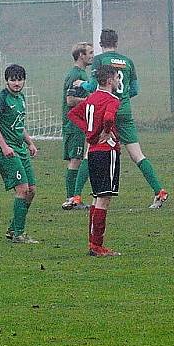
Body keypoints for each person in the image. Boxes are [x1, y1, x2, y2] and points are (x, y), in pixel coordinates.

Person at [80, 29, 169, 209]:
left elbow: (93, 85)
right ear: (116, 43)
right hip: (124, 110)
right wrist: (123, 97)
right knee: (137, 155)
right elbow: (134, 89)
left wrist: (80, 84)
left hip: (105, 109)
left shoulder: (100, 60)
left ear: (100, 43)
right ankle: (159, 191)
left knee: (91, 150)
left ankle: (75, 196)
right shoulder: (128, 61)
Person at [67, 64, 122, 256]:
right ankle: (97, 246)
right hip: (107, 151)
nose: (117, 81)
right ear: (109, 81)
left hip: (92, 152)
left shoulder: (91, 99)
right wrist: (105, 132)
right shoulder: (112, 100)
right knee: (104, 197)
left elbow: (72, 114)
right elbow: (108, 118)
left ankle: (93, 243)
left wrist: (89, 133)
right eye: (116, 78)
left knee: (97, 196)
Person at [0, 64, 40, 244]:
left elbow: (19, 124)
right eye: (12, 79)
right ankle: (19, 233)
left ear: (24, 80)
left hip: (21, 150)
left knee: (32, 191)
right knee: (22, 189)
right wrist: (4, 147)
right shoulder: (0, 98)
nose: (16, 83)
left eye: (19, 79)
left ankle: (13, 227)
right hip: (8, 152)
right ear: (6, 80)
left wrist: (30, 143)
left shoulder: (21, 98)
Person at [61, 42, 94, 210]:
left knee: (78, 159)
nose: (92, 56)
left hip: (78, 124)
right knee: (75, 160)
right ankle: (71, 198)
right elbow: (70, 100)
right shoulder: (76, 75)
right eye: (90, 52)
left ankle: (73, 198)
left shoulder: (81, 73)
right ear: (81, 55)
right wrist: (91, 101)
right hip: (74, 125)